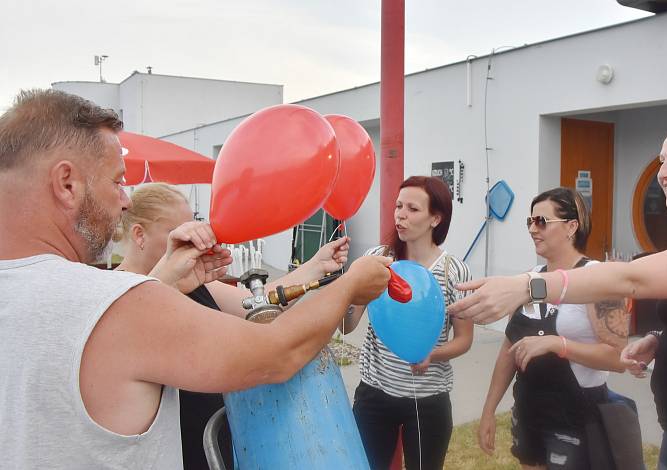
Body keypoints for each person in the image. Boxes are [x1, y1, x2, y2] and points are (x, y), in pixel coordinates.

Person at [0, 88, 391, 468]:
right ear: (67, 184)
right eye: (118, 181)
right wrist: (351, 285)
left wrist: (165, 277)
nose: (124, 200)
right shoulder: (110, 302)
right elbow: (277, 353)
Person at [449, 120, 667, 468]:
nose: (663, 172)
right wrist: (659, 339)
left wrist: (526, 286)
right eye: (661, 161)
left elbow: (629, 279)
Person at [114, 182, 353, 469]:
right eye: (177, 236)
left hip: (218, 435)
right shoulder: (116, 294)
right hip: (172, 447)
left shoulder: (191, 280)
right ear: (139, 235)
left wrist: (315, 264)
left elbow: (257, 302)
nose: (192, 247)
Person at [478, 187, 629, 469]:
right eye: (530, 221)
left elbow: (617, 358)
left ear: (572, 226)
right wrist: (488, 410)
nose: (533, 229)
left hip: (576, 415)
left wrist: (557, 345)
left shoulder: (598, 279)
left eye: (542, 222)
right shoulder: (529, 280)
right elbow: (508, 350)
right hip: (529, 409)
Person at [341, 175, 473, 470]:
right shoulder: (377, 260)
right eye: (398, 206)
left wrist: (432, 354)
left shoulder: (455, 272)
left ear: (435, 218)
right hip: (375, 393)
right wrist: (344, 288)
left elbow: (464, 339)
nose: (400, 214)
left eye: (412, 209)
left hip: (429, 400)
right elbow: (348, 325)